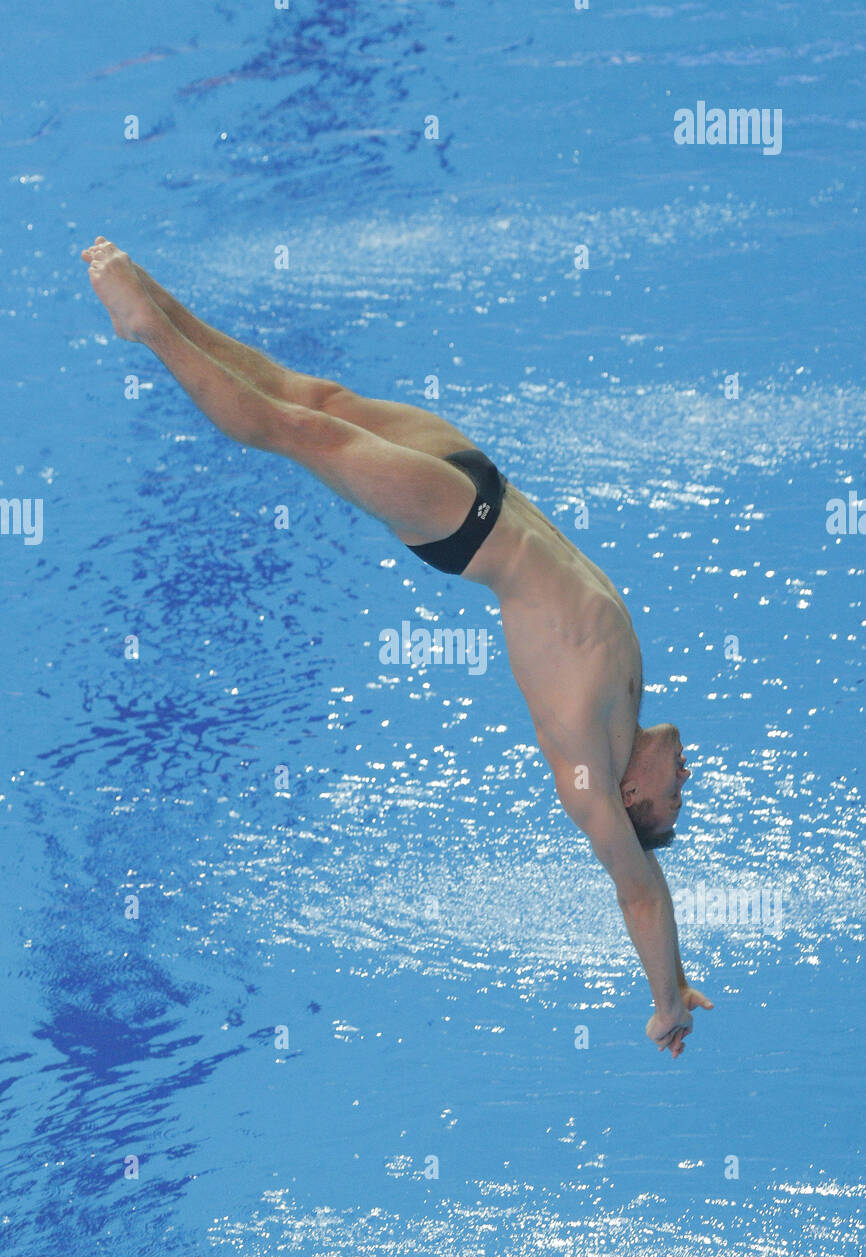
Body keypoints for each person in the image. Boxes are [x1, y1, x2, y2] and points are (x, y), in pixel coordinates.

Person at [81, 236, 713, 1058]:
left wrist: (666, 997)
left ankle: (148, 330)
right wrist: (676, 968)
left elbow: (638, 888)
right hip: (480, 478)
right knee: (312, 393)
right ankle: (159, 298)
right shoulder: (626, 697)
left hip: (465, 525)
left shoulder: (589, 771)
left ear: (634, 798)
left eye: (675, 800)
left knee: (295, 428)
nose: (686, 779)